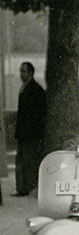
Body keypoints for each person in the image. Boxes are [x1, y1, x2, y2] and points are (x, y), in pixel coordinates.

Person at [12, 62, 46, 197]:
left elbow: (39, 113)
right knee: (21, 159)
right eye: (21, 71)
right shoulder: (24, 88)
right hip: (23, 132)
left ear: (31, 73)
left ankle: (27, 187)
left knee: (29, 160)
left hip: (30, 132)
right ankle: (22, 187)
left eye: (24, 71)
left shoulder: (35, 89)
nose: (22, 74)